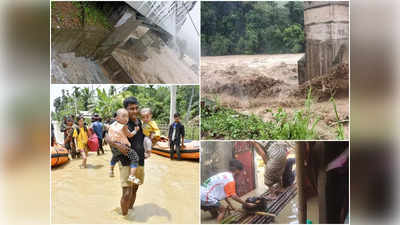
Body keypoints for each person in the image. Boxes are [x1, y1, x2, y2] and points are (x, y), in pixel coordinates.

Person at [105, 97, 146, 216]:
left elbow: (141, 138)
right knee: (127, 192)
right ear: (125, 110)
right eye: (131, 109)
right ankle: (124, 217)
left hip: (140, 160)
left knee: (135, 188)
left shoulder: (139, 122)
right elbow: (106, 136)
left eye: (136, 108)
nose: (134, 111)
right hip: (125, 160)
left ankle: (130, 211)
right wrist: (117, 145)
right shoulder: (120, 122)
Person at [108, 108, 141, 185]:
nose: (126, 118)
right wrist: (135, 130)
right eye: (124, 116)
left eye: (127, 116)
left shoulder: (111, 125)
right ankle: (132, 176)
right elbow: (129, 135)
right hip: (123, 147)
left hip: (114, 147)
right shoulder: (124, 126)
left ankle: (111, 170)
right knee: (135, 157)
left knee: (114, 158)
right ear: (117, 118)